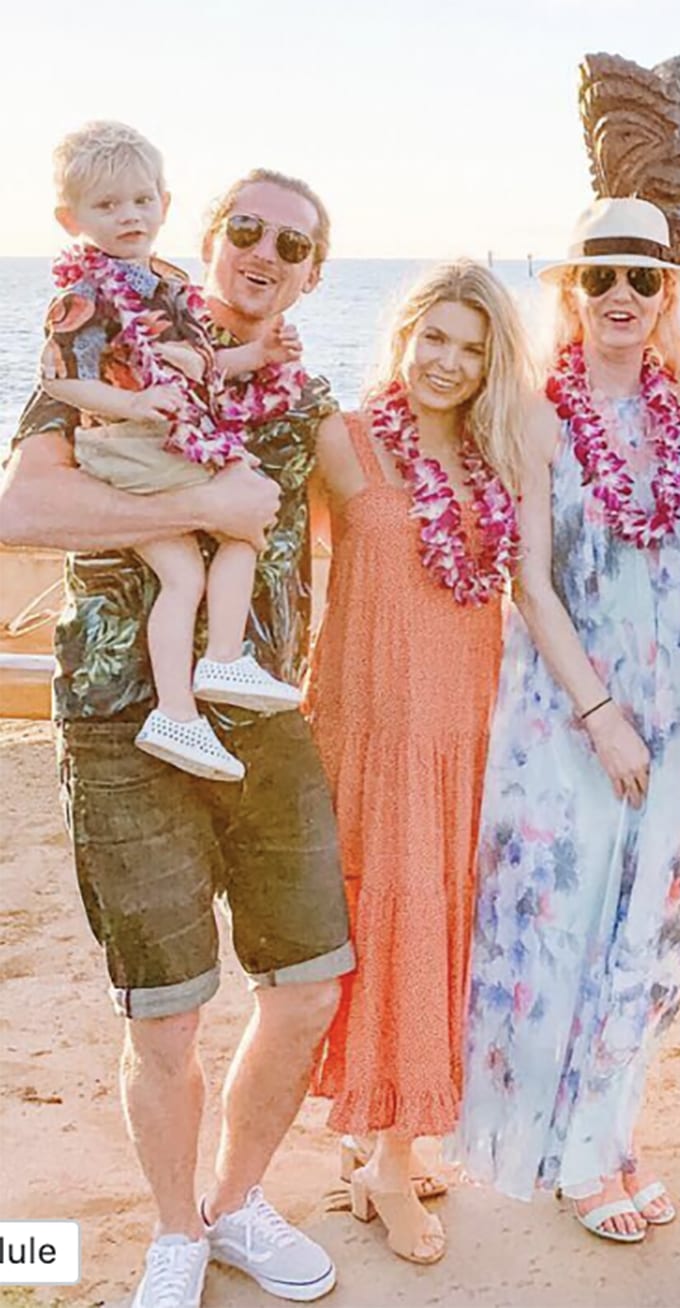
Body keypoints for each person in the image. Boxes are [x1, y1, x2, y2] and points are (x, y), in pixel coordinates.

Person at [0, 168, 350, 1308]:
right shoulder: (110, 346)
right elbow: (23, 512)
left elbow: (393, 514)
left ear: (313, 275)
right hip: (113, 720)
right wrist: (203, 508)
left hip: (265, 715)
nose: (265, 252)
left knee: (303, 986)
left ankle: (236, 1201)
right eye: (246, 228)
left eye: (292, 245)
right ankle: (172, 1232)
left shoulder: (303, 397)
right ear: (209, 237)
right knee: (167, 1012)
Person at [453, 198, 680, 1243]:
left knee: (653, 923)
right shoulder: (532, 410)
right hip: (569, 706)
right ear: (568, 291)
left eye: (640, 278)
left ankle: (608, 1132)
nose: (618, 295)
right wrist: (599, 711)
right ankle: (560, 1153)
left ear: (664, 296)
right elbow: (527, 579)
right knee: (560, 923)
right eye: (597, 276)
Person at [304, 259, 532, 1264]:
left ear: (493, 366)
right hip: (370, 733)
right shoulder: (342, 445)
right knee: (377, 932)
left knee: (438, 935)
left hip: (464, 737)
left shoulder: (494, 462)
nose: (447, 361)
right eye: (433, 338)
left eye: (471, 347)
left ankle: (388, 1148)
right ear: (401, 338)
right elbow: (267, 554)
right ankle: (385, 1161)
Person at [40, 122, 306, 782]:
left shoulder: (160, 285)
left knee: (188, 573)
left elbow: (199, 365)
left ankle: (183, 711)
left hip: (150, 441)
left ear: (164, 201)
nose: (129, 216)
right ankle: (218, 662)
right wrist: (131, 404)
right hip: (127, 445)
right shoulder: (86, 294)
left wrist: (260, 356)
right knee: (245, 512)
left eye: (140, 201)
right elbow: (57, 376)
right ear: (70, 218)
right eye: (107, 206)